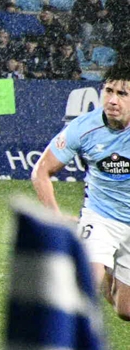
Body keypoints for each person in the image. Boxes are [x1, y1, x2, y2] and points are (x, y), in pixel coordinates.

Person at [31, 62, 130, 319]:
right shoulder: (83, 127)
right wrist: (54, 215)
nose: (113, 100)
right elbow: (41, 172)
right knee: (87, 283)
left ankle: (113, 271)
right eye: (108, 91)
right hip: (101, 217)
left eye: (122, 94)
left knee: (125, 311)